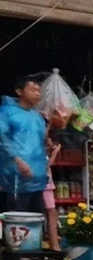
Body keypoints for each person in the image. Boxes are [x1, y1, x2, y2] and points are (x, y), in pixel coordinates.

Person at [0, 73, 52, 224]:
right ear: (19, 91)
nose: (37, 93)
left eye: (38, 90)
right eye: (32, 89)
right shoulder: (6, 112)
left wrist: (47, 142)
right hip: (15, 177)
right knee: (16, 220)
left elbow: (37, 140)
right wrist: (18, 161)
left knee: (35, 220)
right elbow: (2, 139)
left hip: (37, 176)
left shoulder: (37, 116)